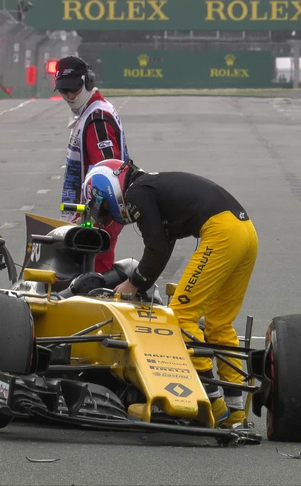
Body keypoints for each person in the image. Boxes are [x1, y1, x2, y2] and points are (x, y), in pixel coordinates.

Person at [81, 160, 259, 429]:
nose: (110, 214)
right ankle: (235, 414)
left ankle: (214, 404)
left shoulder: (137, 192)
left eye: (105, 207)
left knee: (182, 317)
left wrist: (134, 283)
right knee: (219, 324)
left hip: (222, 233)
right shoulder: (151, 186)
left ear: (108, 190)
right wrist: (141, 280)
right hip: (246, 233)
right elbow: (162, 246)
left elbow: (157, 248)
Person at [55, 55, 129, 273]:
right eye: (63, 90)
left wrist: (90, 218)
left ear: (88, 82)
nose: (69, 95)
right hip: (97, 214)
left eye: (74, 89)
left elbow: (108, 173)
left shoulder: (97, 118)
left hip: (99, 216)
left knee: (93, 278)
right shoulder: (92, 110)